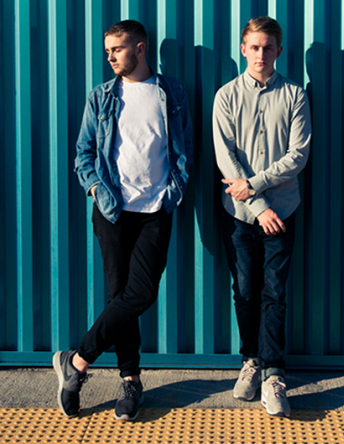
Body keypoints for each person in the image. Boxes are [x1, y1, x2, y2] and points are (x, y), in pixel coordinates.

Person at [53, 20, 192, 421]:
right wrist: (96, 189)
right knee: (120, 296)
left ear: (140, 48)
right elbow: (83, 153)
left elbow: (184, 149)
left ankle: (77, 361)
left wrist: (175, 189)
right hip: (113, 210)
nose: (110, 57)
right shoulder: (101, 96)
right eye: (108, 51)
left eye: (117, 49)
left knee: (140, 294)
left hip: (156, 210)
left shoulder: (171, 93)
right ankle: (131, 380)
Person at [213, 16, 311, 418]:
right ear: (243, 49)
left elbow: (298, 155)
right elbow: (225, 157)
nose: (260, 54)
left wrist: (254, 187)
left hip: (282, 211)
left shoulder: (294, 95)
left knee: (275, 293)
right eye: (254, 47)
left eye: (268, 47)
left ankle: (274, 373)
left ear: (279, 51)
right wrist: (258, 206)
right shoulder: (226, 96)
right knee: (245, 291)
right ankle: (250, 361)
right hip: (240, 215)